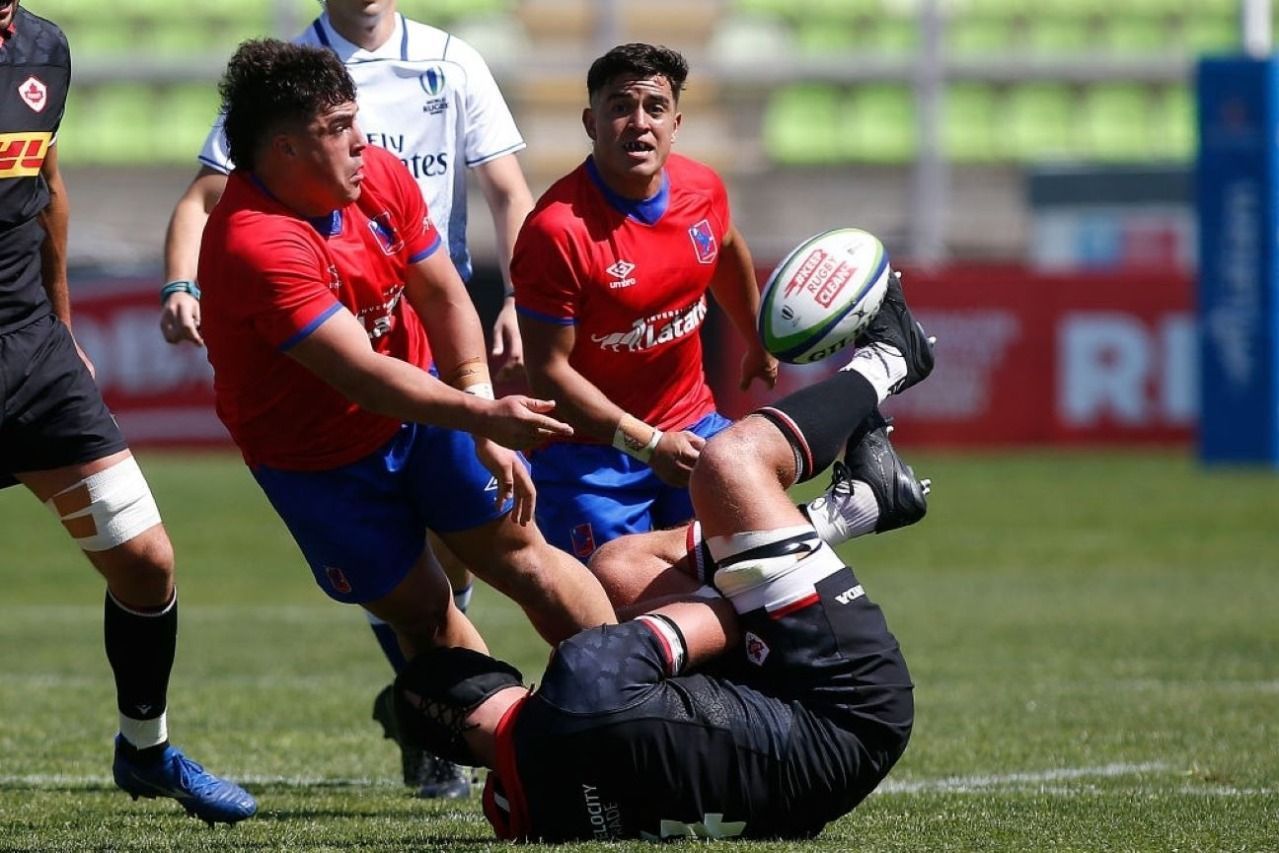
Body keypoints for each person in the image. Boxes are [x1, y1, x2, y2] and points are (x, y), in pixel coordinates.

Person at [196, 37, 618, 795]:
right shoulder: (252, 242)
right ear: (286, 146)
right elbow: (362, 376)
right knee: (424, 615)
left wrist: (474, 403)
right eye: (341, 127)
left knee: (522, 553)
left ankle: (637, 713)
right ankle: (546, 762)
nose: (365, 141)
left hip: (423, 403)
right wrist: (479, 413)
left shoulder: (378, 174)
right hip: (317, 464)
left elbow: (440, 291)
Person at [386, 272, 935, 841]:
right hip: (850, 705)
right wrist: (748, 532)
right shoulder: (580, 678)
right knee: (729, 468)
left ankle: (848, 512)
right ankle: (891, 359)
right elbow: (721, 620)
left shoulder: (526, 819)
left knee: (619, 575)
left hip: (807, 792)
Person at [0, 0, 254, 825]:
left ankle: (144, 750)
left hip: (32, 351)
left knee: (146, 561)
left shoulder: (43, 46)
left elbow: (48, 189)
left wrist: (63, 326)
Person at [511, 43, 779, 562]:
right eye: (620, 107)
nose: (639, 123)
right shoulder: (556, 232)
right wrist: (649, 444)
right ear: (591, 122)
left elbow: (725, 248)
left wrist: (756, 338)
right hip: (589, 461)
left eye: (654, 108)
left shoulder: (702, 189)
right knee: (620, 621)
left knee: (757, 575)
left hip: (694, 429)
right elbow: (547, 375)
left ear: (675, 124)